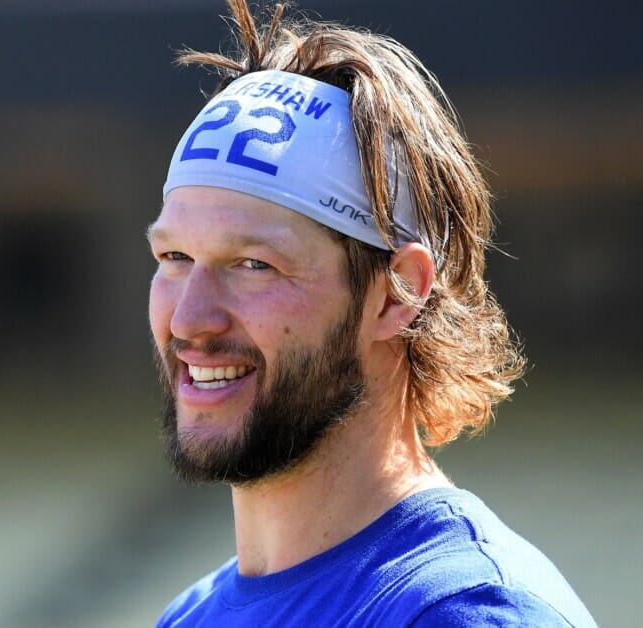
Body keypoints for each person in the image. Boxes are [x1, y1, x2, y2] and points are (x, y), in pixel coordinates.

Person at [146, 1, 596, 626]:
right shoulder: (189, 616)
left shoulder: (463, 611)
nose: (189, 320)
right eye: (174, 256)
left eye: (253, 264)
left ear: (396, 294)